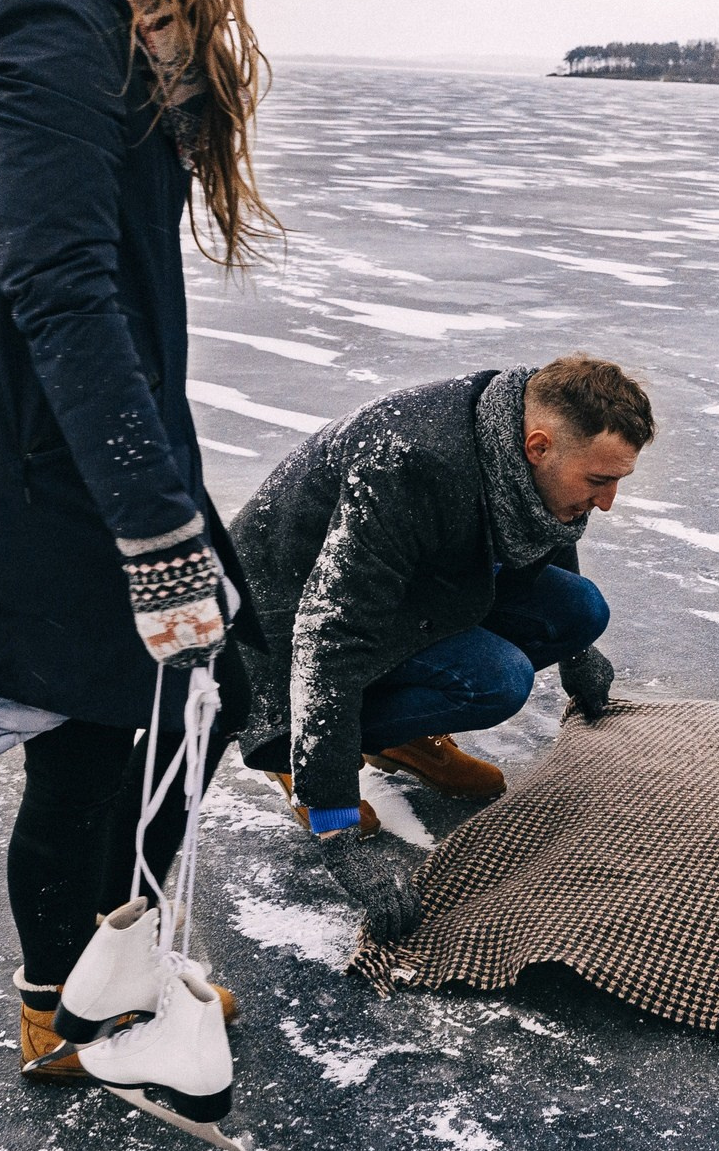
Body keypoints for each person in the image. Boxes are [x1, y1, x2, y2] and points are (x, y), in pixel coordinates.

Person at [0, 0, 275, 1086]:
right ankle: (67, 1004)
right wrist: (153, 525)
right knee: (93, 744)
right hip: (50, 464)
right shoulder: (49, 19)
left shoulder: (82, 11)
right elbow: (55, 284)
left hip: (84, 444)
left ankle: (114, 963)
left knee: (186, 700)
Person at [224, 358, 650, 939]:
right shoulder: (413, 465)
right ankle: (300, 754)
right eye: (599, 481)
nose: (608, 502)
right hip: (285, 629)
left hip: (411, 584)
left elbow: (536, 526)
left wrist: (577, 649)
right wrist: (336, 827)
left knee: (580, 610)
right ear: (538, 447)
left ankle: (400, 737)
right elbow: (330, 636)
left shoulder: (520, 425)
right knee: (495, 679)